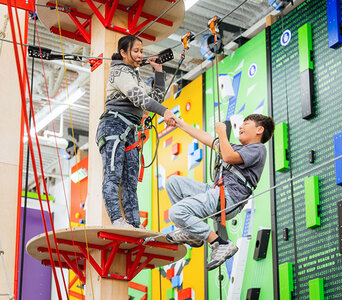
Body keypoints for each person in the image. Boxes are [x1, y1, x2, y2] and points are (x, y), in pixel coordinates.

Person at [165, 114, 275, 270]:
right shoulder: (235, 148)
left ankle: (220, 243)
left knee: (176, 213)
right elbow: (206, 138)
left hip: (228, 198)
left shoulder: (258, 149)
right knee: (173, 183)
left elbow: (229, 157)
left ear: (259, 129)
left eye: (246, 123)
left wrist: (222, 133)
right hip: (216, 191)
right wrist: (179, 123)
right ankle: (194, 234)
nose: (241, 127)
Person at [96, 35, 176, 228]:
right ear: (123, 52)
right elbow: (138, 98)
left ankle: (134, 223)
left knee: (131, 182)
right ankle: (117, 219)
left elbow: (156, 97)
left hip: (131, 130)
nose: (140, 55)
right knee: (113, 176)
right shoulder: (120, 72)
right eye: (135, 51)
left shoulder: (135, 76)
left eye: (141, 51)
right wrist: (164, 112)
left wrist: (158, 72)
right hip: (114, 125)